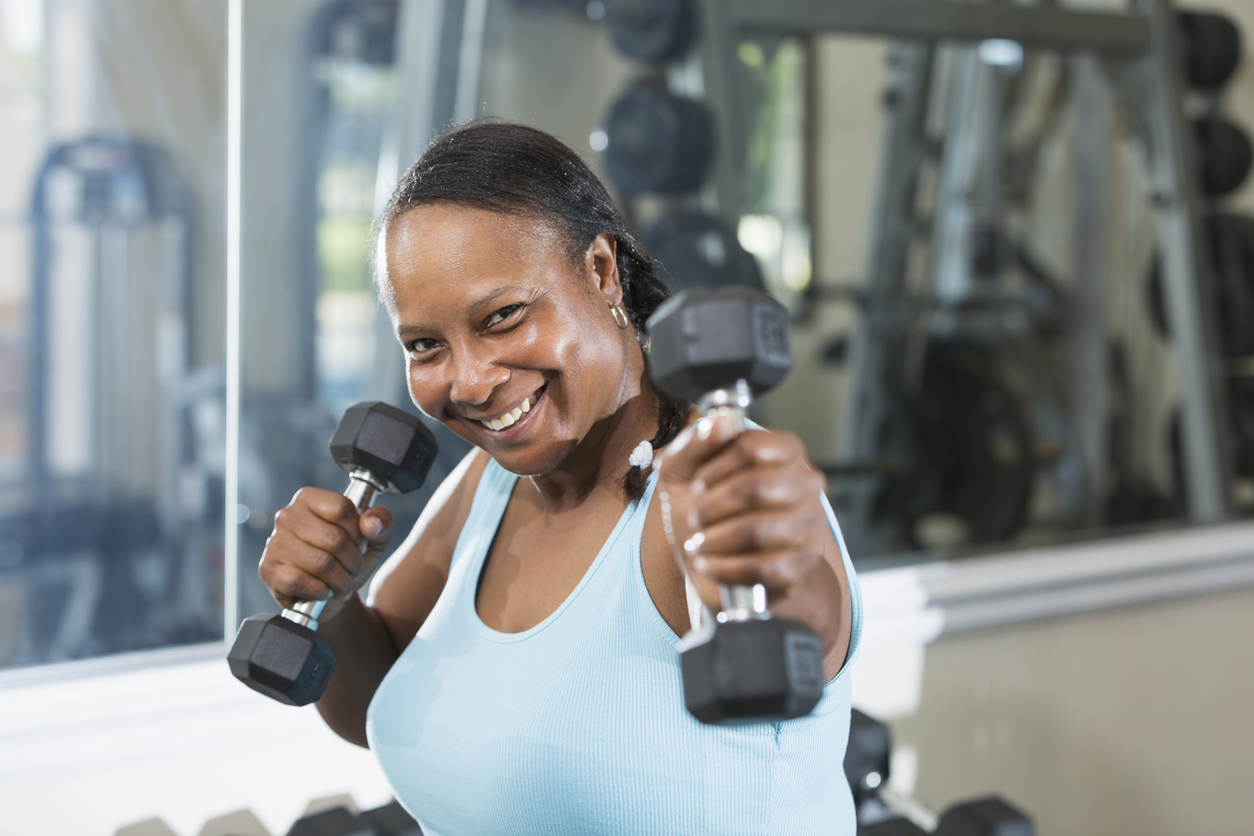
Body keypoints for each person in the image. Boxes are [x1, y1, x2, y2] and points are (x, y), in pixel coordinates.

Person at [258, 121, 863, 835]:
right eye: (426, 345)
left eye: (503, 316)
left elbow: (801, 626)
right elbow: (378, 706)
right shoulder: (491, 484)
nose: (472, 382)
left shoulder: (706, 489)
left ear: (602, 271)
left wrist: (781, 562)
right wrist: (332, 600)